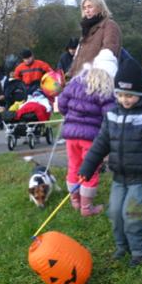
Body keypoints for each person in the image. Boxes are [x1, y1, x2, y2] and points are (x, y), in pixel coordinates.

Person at [79, 58, 142, 267]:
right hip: (119, 176)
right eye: (121, 94)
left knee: (132, 215)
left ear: (140, 92)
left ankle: (141, 250)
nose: (125, 99)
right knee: (115, 213)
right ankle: (122, 246)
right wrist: (87, 167)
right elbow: (101, 143)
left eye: (130, 95)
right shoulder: (112, 114)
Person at [57, 49, 118, 216]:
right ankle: (86, 208)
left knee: (74, 166)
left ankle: (75, 201)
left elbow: (62, 104)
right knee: (90, 170)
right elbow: (110, 115)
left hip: (70, 136)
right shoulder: (106, 88)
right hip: (91, 138)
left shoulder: (77, 81)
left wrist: (70, 116)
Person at [67, 0, 122, 78]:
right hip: (78, 82)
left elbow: (108, 56)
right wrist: (67, 77)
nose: (87, 11)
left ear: (99, 7)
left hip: (97, 82)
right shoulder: (86, 30)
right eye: (84, 8)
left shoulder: (109, 25)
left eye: (90, 7)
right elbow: (77, 60)